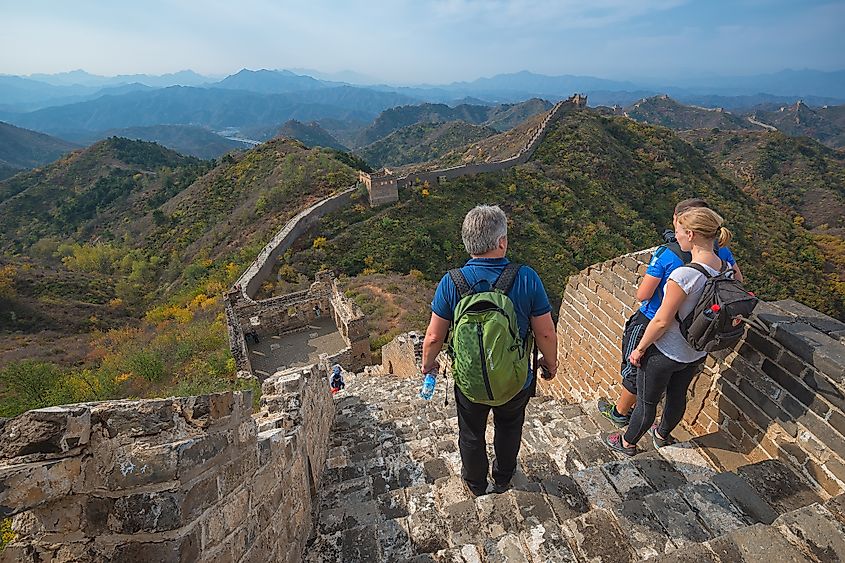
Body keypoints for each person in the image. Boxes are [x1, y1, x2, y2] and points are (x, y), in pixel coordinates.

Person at [421, 204, 558, 496]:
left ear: (467, 243)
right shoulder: (526, 277)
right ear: (502, 242)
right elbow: (545, 331)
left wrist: (428, 365)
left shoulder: (451, 282)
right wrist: (550, 362)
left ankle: (475, 483)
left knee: (471, 433)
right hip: (514, 379)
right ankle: (504, 477)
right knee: (509, 427)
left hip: (470, 382)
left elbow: (434, 336)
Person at [598, 198, 743, 427]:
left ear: (683, 224)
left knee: (636, 369)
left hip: (654, 320)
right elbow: (737, 282)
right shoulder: (720, 250)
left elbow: (643, 295)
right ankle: (662, 431)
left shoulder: (668, 253)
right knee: (678, 390)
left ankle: (620, 413)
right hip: (696, 331)